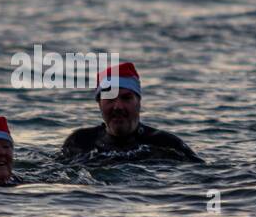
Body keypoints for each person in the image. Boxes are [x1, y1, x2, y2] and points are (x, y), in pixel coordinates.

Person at [59, 62, 201, 165]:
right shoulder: (80, 142)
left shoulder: (167, 145)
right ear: (99, 103)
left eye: (126, 98)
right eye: (110, 98)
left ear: (138, 102)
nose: (118, 106)